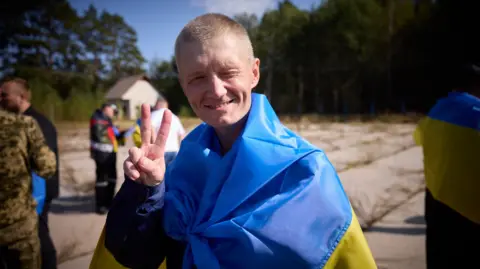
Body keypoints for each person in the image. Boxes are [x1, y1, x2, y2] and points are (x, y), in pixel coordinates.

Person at [90, 13, 376, 269]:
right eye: (198, 77)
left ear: (254, 72)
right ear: (183, 86)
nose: (215, 90)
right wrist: (146, 190)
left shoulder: (306, 173)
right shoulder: (178, 168)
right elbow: (137, 256)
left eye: (228, 72)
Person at [414, 64, 480, 269]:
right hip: (469, 209)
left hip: (436, 201)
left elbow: (419, 138)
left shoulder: (437, 109)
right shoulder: (477, 112)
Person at [0, 77, 59, 269]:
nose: (0, 99)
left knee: (43, 246)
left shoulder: (35, 123)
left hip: (34, 202)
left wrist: (39, 201)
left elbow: (47, 168)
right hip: (22, 213)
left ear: (21, 96)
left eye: (4, 95)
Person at [90, 103, 126, 215]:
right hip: (102, 154)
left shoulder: (106, 119)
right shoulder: (97, 118)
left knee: (111, 178)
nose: (113, 113)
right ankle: (101, 205)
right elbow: (101, 134)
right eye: (113, 110)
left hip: (111, 152)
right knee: (102, 180)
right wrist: (114, 130)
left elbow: (111, 135)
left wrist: (120, 134)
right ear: (106, 108)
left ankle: (109, 202)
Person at [132, 97, 186, 165]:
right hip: (175, 151)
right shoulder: (174, 117)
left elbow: (151, 130)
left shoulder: (154, 115)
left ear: (157, 104)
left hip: (161, 151)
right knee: (171, 174)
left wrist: (153, 146)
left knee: (160, 174)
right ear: (166, 105)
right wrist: (181, 151)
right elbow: (182, 135)